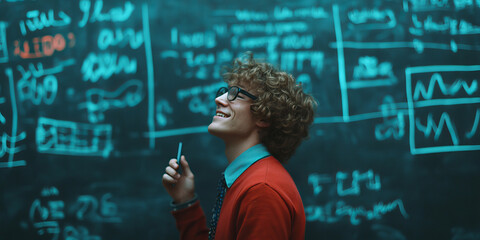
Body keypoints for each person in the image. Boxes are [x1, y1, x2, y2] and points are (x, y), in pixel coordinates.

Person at [162, 52, 316, 240]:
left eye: (236, 94)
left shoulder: (262, 190)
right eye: (225, 91)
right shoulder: (248, 179)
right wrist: (185, 200)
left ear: (263, 116)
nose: (219, 99)